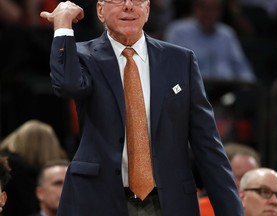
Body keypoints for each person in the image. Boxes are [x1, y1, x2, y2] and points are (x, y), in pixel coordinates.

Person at [40, 1, 244, 215]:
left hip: (168, 202)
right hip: (99, 200)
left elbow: (208, 146)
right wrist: (63, 25)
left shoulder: (180, 60)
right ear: (100, 10)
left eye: (137, 0)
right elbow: (66, 85)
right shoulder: (83, 56)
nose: (129, 6)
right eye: (118, 0)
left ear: (147, 9)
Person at [164, 0, 255, 82]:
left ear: (220, 11)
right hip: (193, 89)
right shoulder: (178, 31)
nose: (209, 13)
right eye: (205, 8)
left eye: (214, 9)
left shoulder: (227, 33)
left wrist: (248, 86)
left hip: (227, 88)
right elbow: (171, 67)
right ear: (195, 9)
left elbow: (242, 68)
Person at [0, 119, 68, 216]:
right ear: (39, 192)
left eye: (65, 184)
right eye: (57, 183)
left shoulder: (8, 164)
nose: (63, 190)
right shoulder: (25, 175)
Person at [198, 142, 260, 216]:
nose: (250, 184)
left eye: (255, 179)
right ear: (222, 177)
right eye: (242, 178)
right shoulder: (199, 209)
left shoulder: (270, 209)